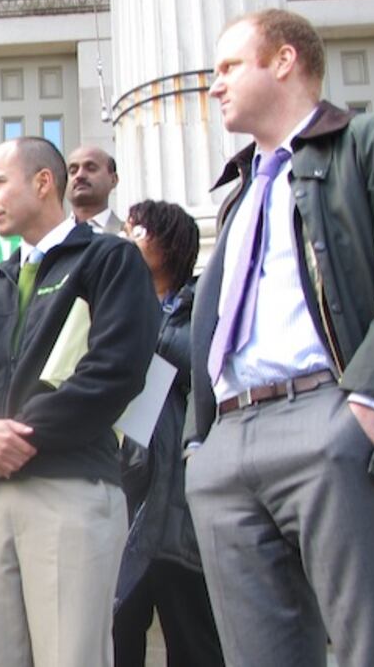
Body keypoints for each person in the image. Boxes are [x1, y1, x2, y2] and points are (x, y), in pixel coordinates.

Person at [184, 8, 374, 667]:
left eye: (230, 67)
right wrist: (199, 446)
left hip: (329, 421)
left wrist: (367, 404)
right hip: (226, 446)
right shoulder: (240, 193)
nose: (215, 85)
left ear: (284, 60)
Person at [0, 138, 157, 667]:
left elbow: (115, 371)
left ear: (42, 183)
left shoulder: (110, 260)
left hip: (70, 487)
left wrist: (18, 436)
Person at [111, 201, 222, 667]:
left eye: (137, 231)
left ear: (169, 242)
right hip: (126, 486)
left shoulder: (204, 304)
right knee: (119, 633)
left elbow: (207, 367)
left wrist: (146, 333)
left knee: (193, 635)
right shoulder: (114, 303)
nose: (127, 239)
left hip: (180, 495)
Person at [65, 145, 121, 233]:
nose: (80, 175)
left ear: (113, 180)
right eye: (73, 171)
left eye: (91, 169)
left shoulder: (130, 236)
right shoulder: (52, 237)